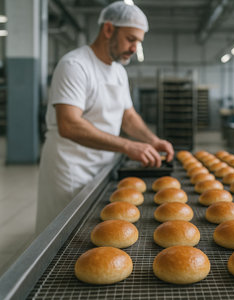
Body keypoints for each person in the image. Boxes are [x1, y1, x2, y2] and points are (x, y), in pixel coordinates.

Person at [36, 1, 174, 233]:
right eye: (131, 39)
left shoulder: (118, 71)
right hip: (72, 168)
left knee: (96, 234)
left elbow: (127, 115)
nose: (134, 47)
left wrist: (152, 140)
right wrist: (128, 146)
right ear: (109, 29)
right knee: (62, 236)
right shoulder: (75, 65)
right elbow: (68, 125)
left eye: (138, 41)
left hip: (103, 165)